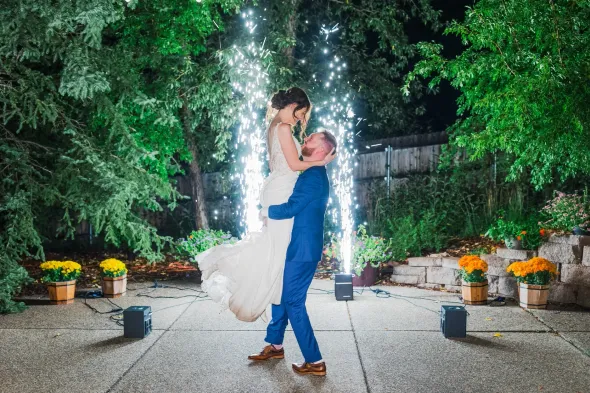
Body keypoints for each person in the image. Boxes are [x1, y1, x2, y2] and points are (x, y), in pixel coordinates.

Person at [195, 87, 336, 322]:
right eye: (301, 114)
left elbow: (278, 164)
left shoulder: (273, 126)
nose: (301, 120)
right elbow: (293, 164)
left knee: (275, 254)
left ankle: (275, 329)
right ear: (292, 106)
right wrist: (321, 161)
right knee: (276, 255)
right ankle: (260, 300)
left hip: (277, 187)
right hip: (282, 190)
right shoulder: (282, 127)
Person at [248, 129, 338, 377]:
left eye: (311, 139)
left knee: (293, 301)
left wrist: (266, 212)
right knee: (282, 293)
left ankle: (315, 360)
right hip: (296, 246)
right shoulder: (312, 171)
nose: (305, 139)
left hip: (302, 249)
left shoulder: (314, 176)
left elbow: (292, 207)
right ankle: (275, 345)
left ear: (321, 150)